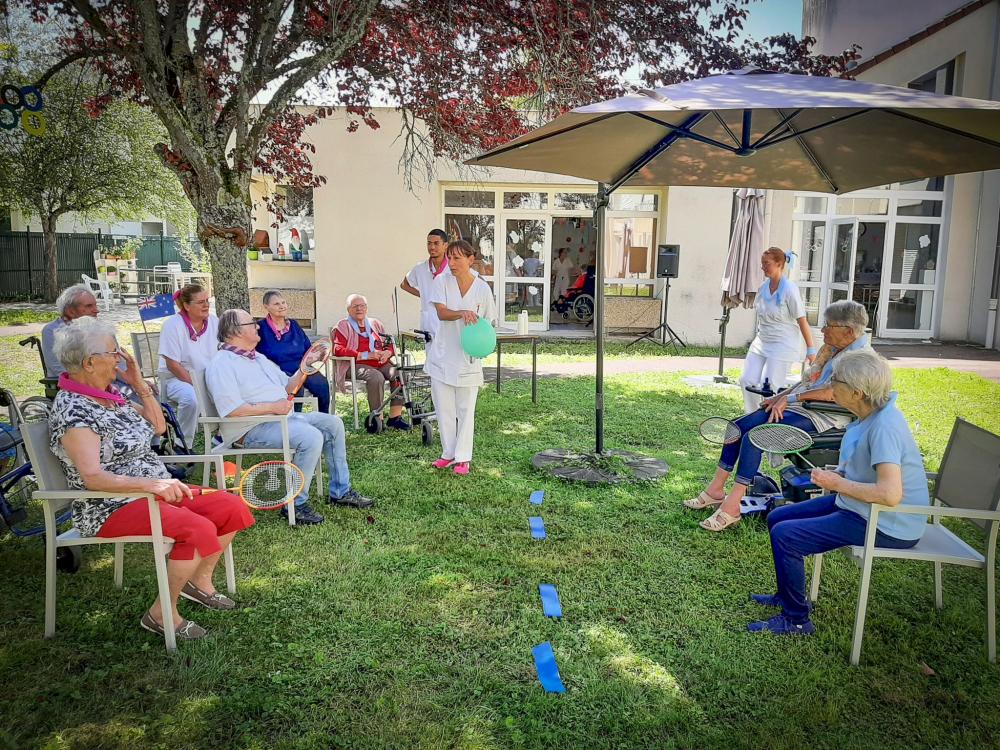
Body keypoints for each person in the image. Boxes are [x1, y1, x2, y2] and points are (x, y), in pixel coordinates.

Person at [48, 316, 254, 641]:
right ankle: (161, 615)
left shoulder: (111, 396)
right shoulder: (74, 409)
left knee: (231, 508)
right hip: (109, 506)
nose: (120, 357)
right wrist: (153, 485)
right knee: (196, 528)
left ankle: (197, 582)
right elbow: (92, 477)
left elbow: (158, 428)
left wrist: (138, 383)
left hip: (154, 491)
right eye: (115, 352)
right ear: (90, 362)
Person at [748, 350, 928, 635]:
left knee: (787, 535)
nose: (830, 388)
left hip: (888, 522)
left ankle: (796, 620)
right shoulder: (867, 416)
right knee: (777, 518)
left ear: (856, 392)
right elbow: (865, 469)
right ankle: (787, 597)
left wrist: (837, 484)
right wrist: (839, 475)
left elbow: (890, 494)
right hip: (861, 506)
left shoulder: (884, 427)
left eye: (836, 383)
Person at [686, 300, 872, 532]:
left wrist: (790, 400)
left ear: (849, 331)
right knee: (736, 426)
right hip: (804, 406)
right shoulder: (836, 349)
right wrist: (780, 397)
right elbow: (805, 384)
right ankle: (715, 490)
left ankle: (732, 506)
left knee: (756, 436)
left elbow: (832, 394)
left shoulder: (861, 358)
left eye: (828, 326)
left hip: (825, 416)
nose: (822, 330)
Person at [205, 309, 373, 525]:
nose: (257, 327)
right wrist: (273, 407)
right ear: (235, 331)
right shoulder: (222, 364)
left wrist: (306, 365)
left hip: (281, 419)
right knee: (310, 436)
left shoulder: (258, 358)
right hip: (249, 429)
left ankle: (341, 491)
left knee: (333, 423)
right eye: (252, 324)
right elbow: (231, 410)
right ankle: (296, 504)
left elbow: (289, 385)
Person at [425, 240, 496, 476]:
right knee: (444, 408)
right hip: (442, 355)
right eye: (450, 258)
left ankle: (463, 457)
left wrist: (483, 344)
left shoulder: (482, 289)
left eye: (457, 258)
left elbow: (488, 323)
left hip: (468, 358)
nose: (452, 263)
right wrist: (462, 313)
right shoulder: (441, 281)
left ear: (470, 260)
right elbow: (442, 313)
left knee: (466, 409)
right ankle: (448, 453)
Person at [741, 247, 816, 413]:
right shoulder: (762, 288)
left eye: (766, 263)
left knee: (769, 383)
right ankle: (752, 415)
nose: (763, 267)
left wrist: (811, 350)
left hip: (783, 343)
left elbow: (802, 321)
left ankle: (769, 418)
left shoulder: (790, 289)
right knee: (747, 380)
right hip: (762, 340)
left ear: (779, 264)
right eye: (762, 263)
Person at [332, 294, 408, 431]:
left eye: (362, 306)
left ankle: (395, 417)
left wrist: (387, 353)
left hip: (379, 362)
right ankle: (377, 419)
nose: (359, 309)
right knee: (375, 377)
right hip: (354, 364)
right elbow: (338, 349)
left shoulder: (375, 324)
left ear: (367, 308)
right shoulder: (343, 325)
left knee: (399, 373)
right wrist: (366, 355)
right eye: (355, 306)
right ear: (348, 309)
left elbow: (388, 343)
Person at [157, 284, 218, 446]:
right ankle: (182, 445)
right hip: (177, 379)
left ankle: (224, 437)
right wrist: (199, 386)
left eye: (207, 301)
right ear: (186, 306)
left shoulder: (214, 321)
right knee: (191, 399)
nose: (206, 305)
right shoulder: (172, 325)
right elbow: (172, 365)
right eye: (200, 302)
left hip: (208, 377)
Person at [255, 290, 330, 414]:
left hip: (302, 367)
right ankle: (295, 423)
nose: (282, 306)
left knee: (322, 384)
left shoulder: (293, 324)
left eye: (283, 302)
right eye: (276, 304)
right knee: (296, 389)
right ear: (266, 307)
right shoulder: (260, 327)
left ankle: (324, 419)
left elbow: (308, 347)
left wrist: (317, 355)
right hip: (278, 371)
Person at [400, 229, 451, 340]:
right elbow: (404, 285)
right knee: (431, 355)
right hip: (428, 322)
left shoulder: (452, 268)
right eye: (429, 243)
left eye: (436, 243)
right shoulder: (420, 268)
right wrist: (422, 294)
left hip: (448, 321)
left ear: (445, 245)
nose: (432, 247)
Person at [41, 284, 100, 378]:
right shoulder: (52, 331)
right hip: (79, 386)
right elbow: (59, 370)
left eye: (95, 305)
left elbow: (119, 363)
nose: (97, 310)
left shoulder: (101, 329)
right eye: (89, 306)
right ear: (70, 311)